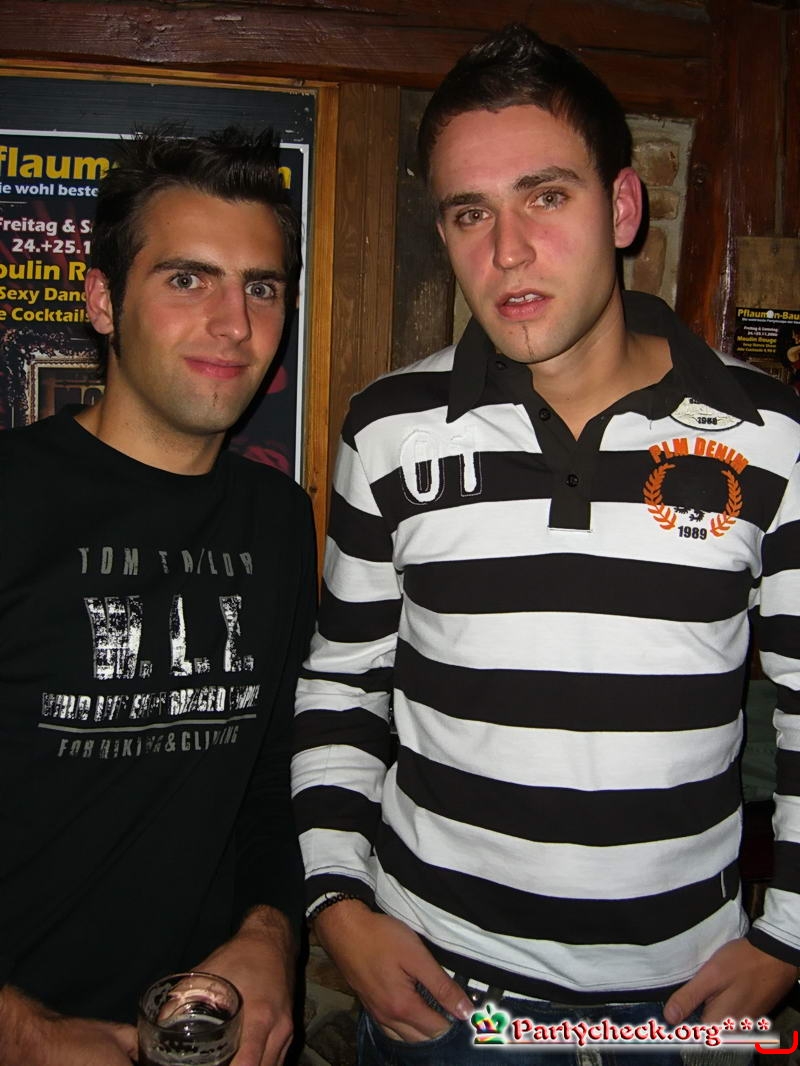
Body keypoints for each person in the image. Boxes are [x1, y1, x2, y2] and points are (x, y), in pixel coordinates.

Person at [292, 24, 800, 1065]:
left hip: (683, 1004)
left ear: (622, 208)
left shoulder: (772, 435)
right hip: (439, 999)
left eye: (546, 196)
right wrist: (337, 902)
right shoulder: (388, 429)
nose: (507, 251)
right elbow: (341, 680)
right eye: (469, 212)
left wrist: (789, 935)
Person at [0, 127, 316, 1066]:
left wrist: (269, 935)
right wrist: (26, 1033)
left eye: (262, 288)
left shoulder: (277, 519)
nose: (234, 324)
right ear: (103, 300)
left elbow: (272, 782)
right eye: (188, 280)